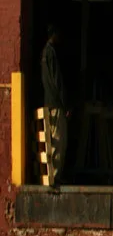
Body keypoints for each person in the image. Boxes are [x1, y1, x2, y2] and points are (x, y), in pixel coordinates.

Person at [41, 24, 70, 186]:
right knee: (59, 141)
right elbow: (58, 81)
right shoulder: (52, 53)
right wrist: (65, 103)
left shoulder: (44, 54)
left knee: (51, 140)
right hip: (56, 104)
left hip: (48, 101)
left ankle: (50, 176)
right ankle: (56, 177)